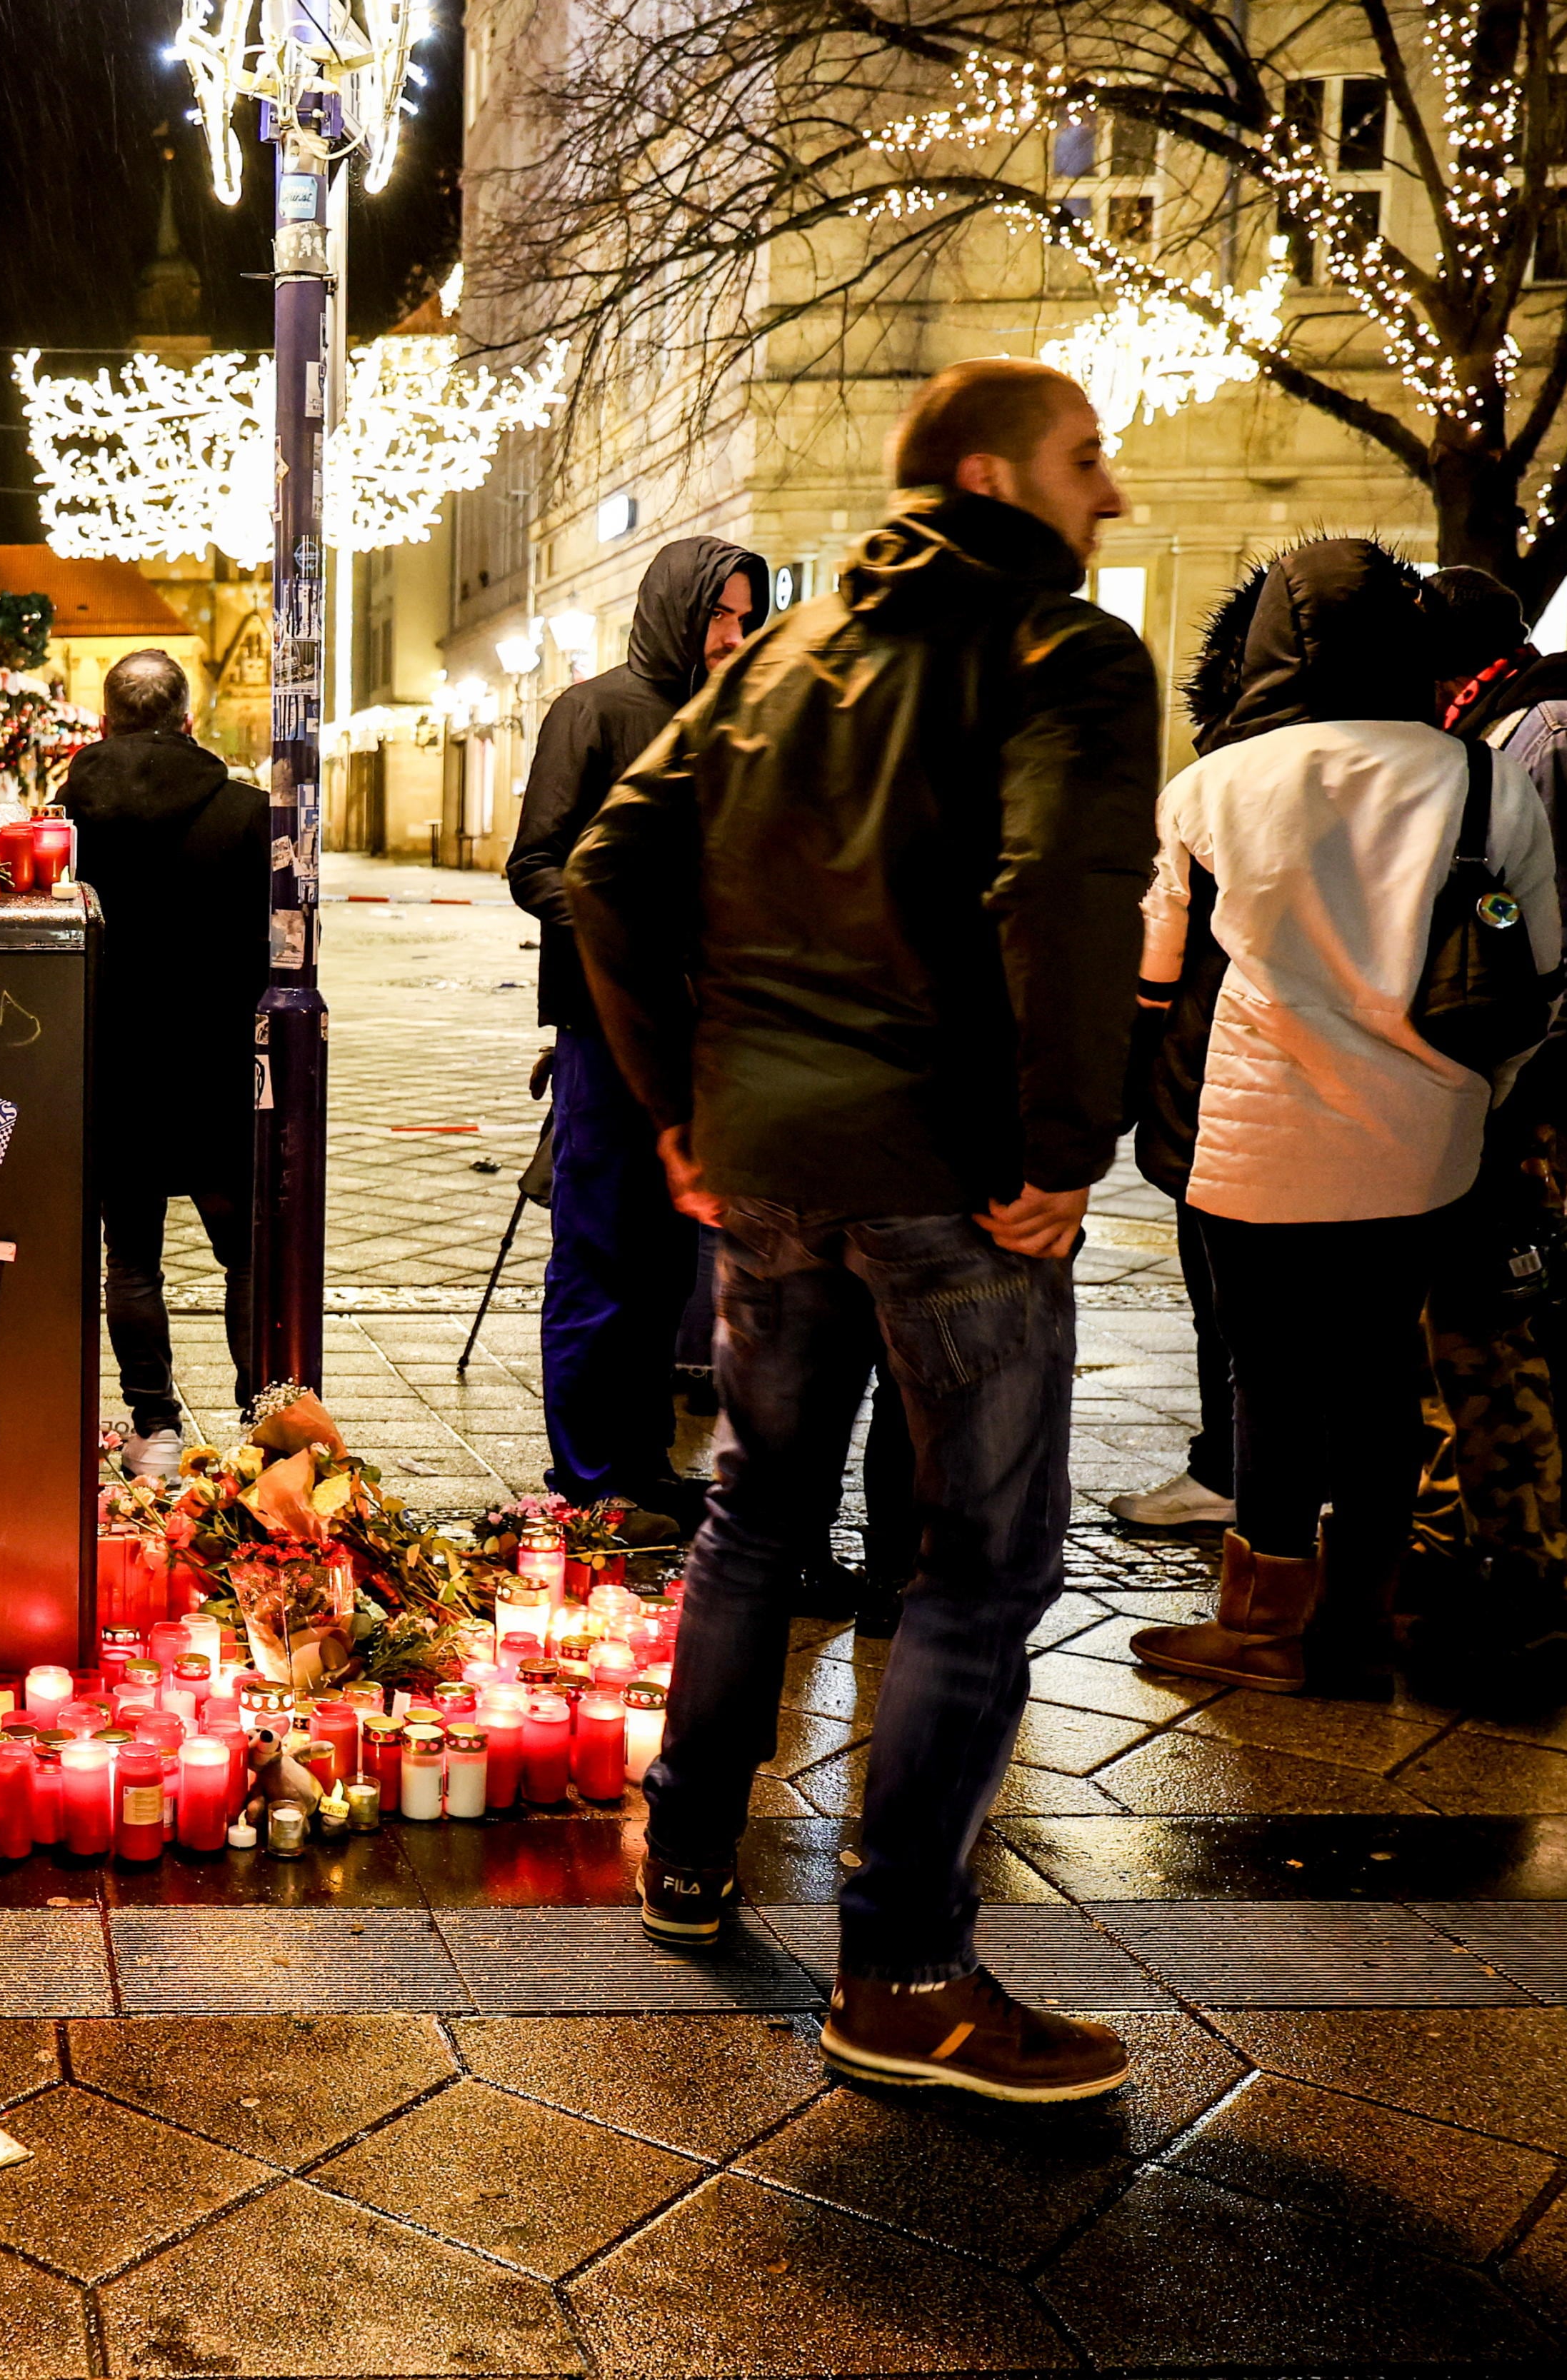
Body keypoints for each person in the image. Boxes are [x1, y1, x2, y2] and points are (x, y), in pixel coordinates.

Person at [565, 358, 1156, 2102]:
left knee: (755, 1505)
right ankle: (901, 1970)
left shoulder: (784, 661)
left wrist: (684, 1105)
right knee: (977, 1561)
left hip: (766, 1170)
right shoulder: (1063, 652)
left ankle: (687, 1857)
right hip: (954, 1169)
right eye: (1084, 459)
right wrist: (1066, 1136)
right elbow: (1061, 886)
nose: (1106, 494)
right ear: (988, 473)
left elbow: (606, 868)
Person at [1126, 547, 1562, 1694]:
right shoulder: (1482, 777)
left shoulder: (1213, 785)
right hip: (1423, 1136)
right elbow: (1537, 968)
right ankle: (1361, 1610)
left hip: (1256, 1133)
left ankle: (1266, 1618)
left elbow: (1159, 964)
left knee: (1268, 1369)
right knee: (1377, 1369)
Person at [509, 535, 764, 1546]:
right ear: (676, 611)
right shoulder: (595, 711)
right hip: (610, 1025)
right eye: (721, 617)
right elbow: (537, 863)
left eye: (747, 618)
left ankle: (642, 1456)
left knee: (667, 1260)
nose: (734, 636)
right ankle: (583, 1472)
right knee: (598, 1250)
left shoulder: (738, 713)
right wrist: (627, 934)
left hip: (709, 1030)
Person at [1407, 568, 1567, 1679]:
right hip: (1493, 1088)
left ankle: (1538, 1584)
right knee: (1470, 1328)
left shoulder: (1557, 735)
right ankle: (1482, 1561)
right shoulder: (1495, 732)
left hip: (1524, 1092)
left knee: (1499, 1323)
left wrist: (1540, 1109)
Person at [60, 648, 263, 1476]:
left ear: (103, 722)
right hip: (215, 1069)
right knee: (245, 1252)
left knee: (131, 1257)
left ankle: (154, 1427)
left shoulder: (63, 817)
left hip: (111, 1068)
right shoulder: (248, 815)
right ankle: (262, 1420)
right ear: (187, 721)